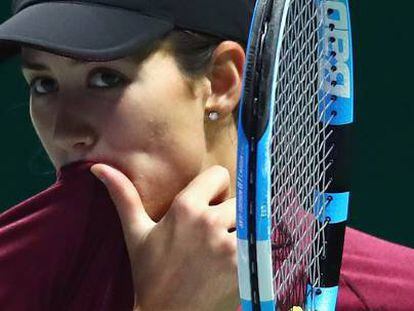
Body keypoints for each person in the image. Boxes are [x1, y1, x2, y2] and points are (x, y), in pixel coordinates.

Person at [0, 0, 413, 310]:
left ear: (219, 81)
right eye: (43, 84)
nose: (66, 130)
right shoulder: (14, 268)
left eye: (105, 78)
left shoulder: (393, 295)